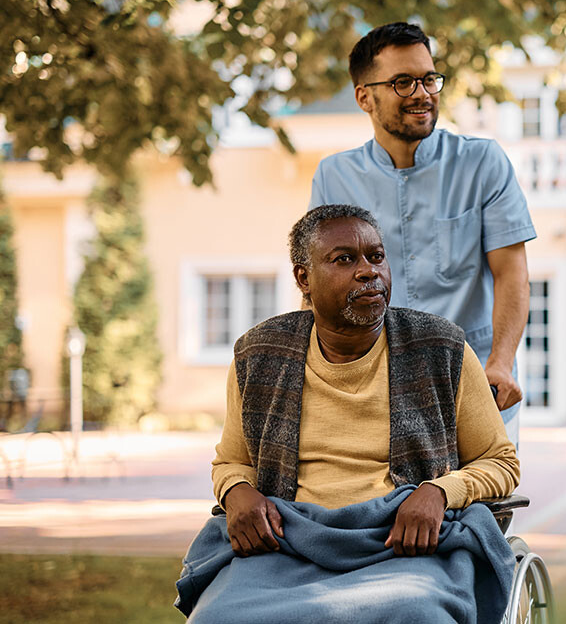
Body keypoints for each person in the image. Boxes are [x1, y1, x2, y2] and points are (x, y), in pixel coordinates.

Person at [177, 205, 520, 622]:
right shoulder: (260, 354)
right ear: (304, 277)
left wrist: (440, 491)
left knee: (419, 613)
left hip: (403, 544)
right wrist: (237, 491)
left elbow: (501, 462)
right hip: (288, 542)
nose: (368, 271)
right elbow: (233, 461)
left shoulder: (441, 349)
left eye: (376, 256)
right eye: (344, 259)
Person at [309, 22, 535, 445]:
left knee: (482, 509)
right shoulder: (333, 176)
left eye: (429, 78)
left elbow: (512, 275)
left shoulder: (483, 163)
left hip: (478, 385)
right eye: (402, 82)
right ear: (364, 97)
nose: (422, 93)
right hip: (375, 392)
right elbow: (320, 292)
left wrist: (501, 363)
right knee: (383, 511)